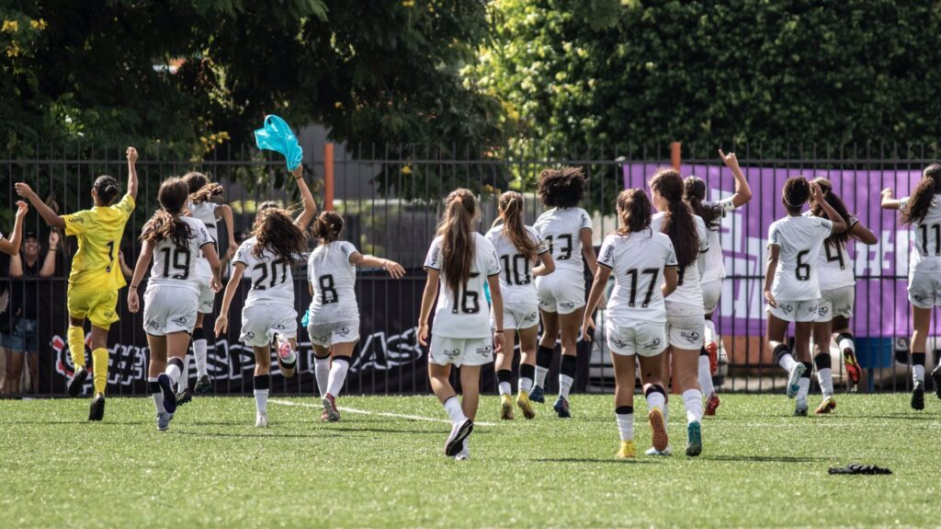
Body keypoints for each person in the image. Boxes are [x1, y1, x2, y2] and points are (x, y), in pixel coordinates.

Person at [14, 147, 138, 420]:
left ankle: (79, 365)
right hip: (108, 287)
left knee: (74, 325)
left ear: (94, 193)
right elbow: (133, 191)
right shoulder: (120, 214)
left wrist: (32, 195)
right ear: (112, 196)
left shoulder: (87, 217)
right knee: (101, 340)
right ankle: (100, 392)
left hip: (82, 284)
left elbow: (53, 220)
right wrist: (131, 163)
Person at [214, 165, 315, 427]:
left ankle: (261, 415)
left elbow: (233, 281)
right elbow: (311, 209)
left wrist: (223, 313)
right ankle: (283, 343)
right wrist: (299, 177)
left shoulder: (248, 246)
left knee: (261, 364)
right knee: (288, 369)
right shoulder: (288, 241)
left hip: (255, 307)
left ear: (260, 222)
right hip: (280, 307)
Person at [582, 189, 678, 458]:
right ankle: (656, 409)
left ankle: (627, 445)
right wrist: (653, 301)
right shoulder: (663, 242)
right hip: (651, 318)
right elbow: (672, 283)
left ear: (621, 212)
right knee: (652, 378)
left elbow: (600, 280)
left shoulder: (613, 242)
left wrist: (587, 314)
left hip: (620, 317)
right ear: (648, 211)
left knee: (624, 381)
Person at [127, 177, 221, 431]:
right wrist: (216, 278)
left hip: (156, 292)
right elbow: (214, 261)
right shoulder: (197, 225)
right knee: (175, 357)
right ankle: (170, 380)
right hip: (184, 294)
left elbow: (144, 258)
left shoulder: (153, 223)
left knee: (155, 357)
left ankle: (161, 416)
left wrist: (133, 288)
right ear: (186, 199)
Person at [418, 188, 503, 460]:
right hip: (478, 322)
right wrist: (499, 328)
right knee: (471, 383)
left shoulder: (439, 243)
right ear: (474, 213)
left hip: (448, 321)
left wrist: (422, 322)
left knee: (437, 375)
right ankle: (463, 448)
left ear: (448, 211)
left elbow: (431, 288)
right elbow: (497, 292)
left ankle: (457, 420)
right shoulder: (485, 243)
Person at [307, 211, 405, 422]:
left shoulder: (313, 256)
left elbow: (312, 291)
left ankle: (326, 408)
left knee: (321, 360)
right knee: (341, 358)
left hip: (318, 314)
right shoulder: (344, 246)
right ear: (339, 229)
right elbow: (359, 259)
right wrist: (385, 263)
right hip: (344, 311)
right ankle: (330, 396)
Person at [766, 177, 846, 416]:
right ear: (805, 201)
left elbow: (773, 259)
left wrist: (766, 289)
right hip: (809, 291)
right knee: (803, 345)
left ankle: (791, 366)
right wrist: (822, 201)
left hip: (784, 289)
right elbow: (841, 224)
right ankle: (802, 401)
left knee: (773, 339)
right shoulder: (817, 224)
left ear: (783, 200)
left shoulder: (778, 226)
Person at [684, 149, 752, 416]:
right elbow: (745, 195)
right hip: (715, 280)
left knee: (692, 341)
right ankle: (710, 393)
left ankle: (707, 379)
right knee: (706, 324)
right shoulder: (711, 209)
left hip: (691, 282)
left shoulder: (680, 216)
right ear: (703, 194)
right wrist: (734, 167)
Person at [649, 168, 709, 456]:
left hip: (661, 305)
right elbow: (703, 268)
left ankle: (662, 444)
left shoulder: (653, 224)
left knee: (657, 377)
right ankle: (694, 420)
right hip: (692, 306)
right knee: (688, 377)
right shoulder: (698, 223)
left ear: (660, 195)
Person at [531, 167, 600, 418]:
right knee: (569, 342)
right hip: (569, 278)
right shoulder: (581, 216)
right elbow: (588, 250)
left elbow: (533, 253)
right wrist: (599, 281)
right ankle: (562, 397)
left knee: (548, 334)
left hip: (544, 279)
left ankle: (537, 387)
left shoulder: (543, 219)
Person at [485, 191, 555, 420]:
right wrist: (531, 272)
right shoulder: (531, 233)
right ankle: (523, 393)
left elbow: (486, 270)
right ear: (522, 210)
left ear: (500, 211)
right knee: (528, 349)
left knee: (504, 352)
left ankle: (505, 396)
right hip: (526, 297)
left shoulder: (492, 236)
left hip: (502, 299)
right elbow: (550, 266)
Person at [809, 178, 877, 411]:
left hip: (820, 286)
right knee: (841, 329)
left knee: (820, 341)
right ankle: (848, 348)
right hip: (845, 282)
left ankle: (827, 394)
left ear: (812, 198)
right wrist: (852, 233)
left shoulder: (809, 221)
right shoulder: (845, 218)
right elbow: (872, 238)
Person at [175, 172, 238, 404]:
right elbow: (228, 209)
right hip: (209, 273)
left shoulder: (185, 206)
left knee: (182, 329)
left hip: (191, 272)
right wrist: (231, 239)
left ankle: (182, 386)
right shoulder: (212, 208)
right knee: (199, 325)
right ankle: (202, 373)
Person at [882, 164, 941, 409]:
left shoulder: (915, 203)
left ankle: (918, 382)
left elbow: (887, 204)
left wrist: (886, 192)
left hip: (920, 270)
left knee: (920, 329)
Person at [2, 230, 58, 396]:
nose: (31, 244)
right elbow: (17, 274)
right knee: (13, 371)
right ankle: (10, 407)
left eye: (34, 241)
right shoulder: (13, 261)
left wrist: (53, 246)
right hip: (15, 323)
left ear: (40, 246)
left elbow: (47, 274)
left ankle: (37, 403)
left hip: (39, 323)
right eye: (27, 241)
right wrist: (14, 245)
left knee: (38, 370)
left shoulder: (42, 262)